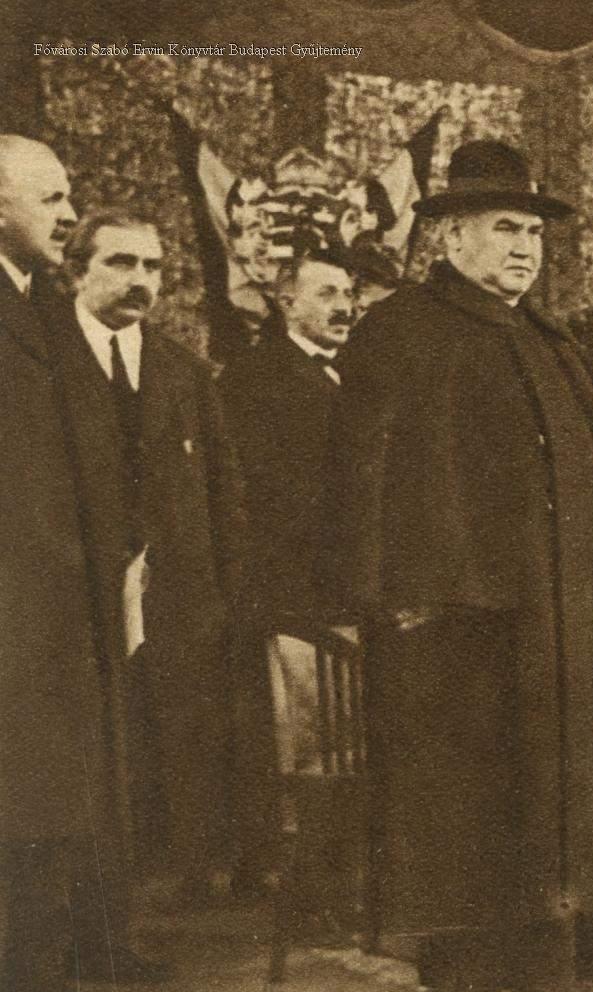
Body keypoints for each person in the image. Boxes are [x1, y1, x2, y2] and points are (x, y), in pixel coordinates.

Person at [325, 139, 593, 992]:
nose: (525, 248)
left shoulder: (550, 340)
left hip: (566, 604)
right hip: (455, 608)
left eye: (534, 233)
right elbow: (361, 472)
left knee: (579, 764)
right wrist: (383, 591)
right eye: (505, 229)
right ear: (451, 238)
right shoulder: (399, 331)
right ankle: (464, 953)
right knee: (466, 777)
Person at [47, 207, 247, 907]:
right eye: (122, 262)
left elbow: (223, 491)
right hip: (72, 593)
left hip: (177, 596)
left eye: (153, 267)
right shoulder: (41, 360)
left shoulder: (185, 372)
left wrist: (223, 593)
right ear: (77, 270)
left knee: (177, 739)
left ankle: (163, 900)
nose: (141, 280)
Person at [0, 134, 129, 992]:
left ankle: (32, 978)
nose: (70, 214)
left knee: (41, 792)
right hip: (16, 599)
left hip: (48, 597)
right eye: (49, 198)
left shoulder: (37, 305)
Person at [219, 250, 359, 890]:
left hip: (343, 591)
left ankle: (334, 874)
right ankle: (294, 879)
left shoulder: (350, 375)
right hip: (291, 593)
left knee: (338, 740)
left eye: (348, 294)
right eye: (327, 293)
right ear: (286, 301)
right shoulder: (255, 378)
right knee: (296, 742)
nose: (343, 306)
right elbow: (258, 496)